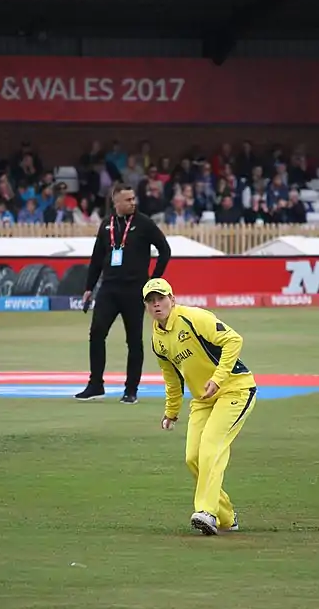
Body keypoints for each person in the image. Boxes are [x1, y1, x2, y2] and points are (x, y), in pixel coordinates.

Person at [143, 277, 257, 535]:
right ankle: (227, 517)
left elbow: (234, 340)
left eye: (160, 298)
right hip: (203, 400)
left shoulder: (193, 318)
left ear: (172, 299)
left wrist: (218, 379)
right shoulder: (157, 340)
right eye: (151, 301)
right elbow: (172, 378)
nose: (156, 304)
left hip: (235, 389)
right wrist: (171, 412)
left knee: (211, 448)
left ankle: (206, 512)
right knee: (193, 458)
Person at [75, 184, 171, 404]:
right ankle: (96, 385)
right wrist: (89, 288)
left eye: (133, 199)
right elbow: (97, 258)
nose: (132, 203)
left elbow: (164, 250)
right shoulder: (106, 225)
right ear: (115, 202)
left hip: (134, 290)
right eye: (127, 200)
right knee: (97, 333)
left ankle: (131, 390)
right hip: (108, 289)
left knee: (134, 340)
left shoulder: (144, 223)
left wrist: (153, 280)